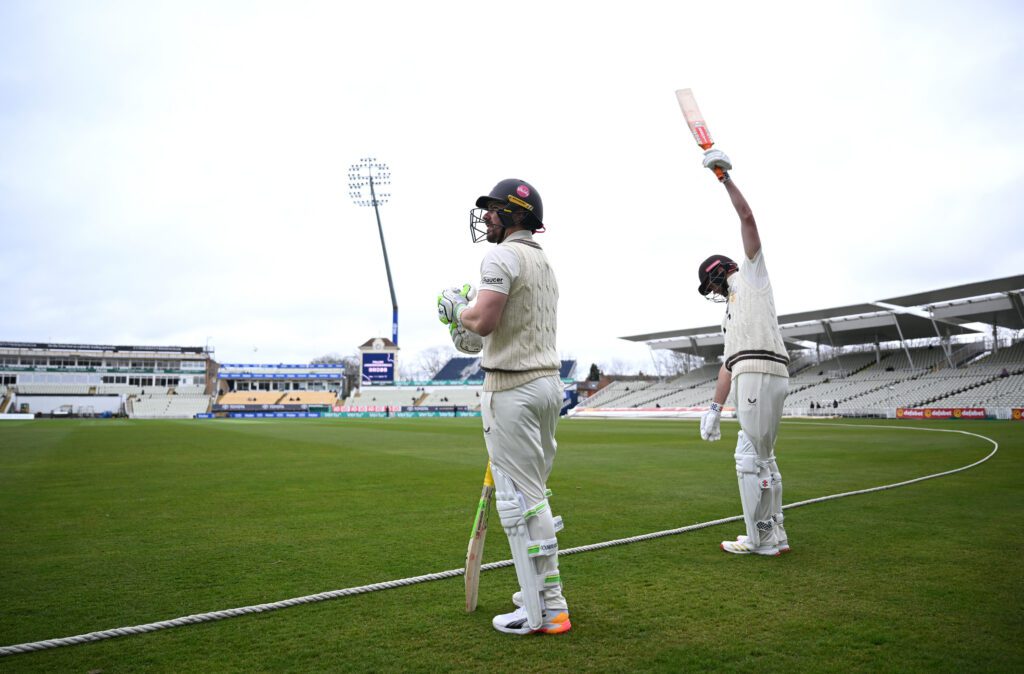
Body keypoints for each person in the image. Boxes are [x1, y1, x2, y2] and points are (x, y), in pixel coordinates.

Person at [437, 178, 570, 635]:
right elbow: (490, 331)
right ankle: (543, 597)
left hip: (511, 389)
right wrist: (467, 324)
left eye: (494, 209)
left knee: (522, 504)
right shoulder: (544, 263)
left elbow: (485, 318)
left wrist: (457, 309)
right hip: (548, 387)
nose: (487, 216)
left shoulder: (500, 255)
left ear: (515, 215)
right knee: (535, 497)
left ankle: (544, 611)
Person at [695, 149, 791, 557]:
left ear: (719, 273)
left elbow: (748, 219)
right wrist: (715, 408)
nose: (715, 293)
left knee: (748, 458)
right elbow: (727, 363)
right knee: (763, 456)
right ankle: (777, 534)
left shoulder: (750, 273)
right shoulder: (733, 310)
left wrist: (724, 178)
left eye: (712, 286)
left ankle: (759, 539)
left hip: (759, 370)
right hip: (768, 371)